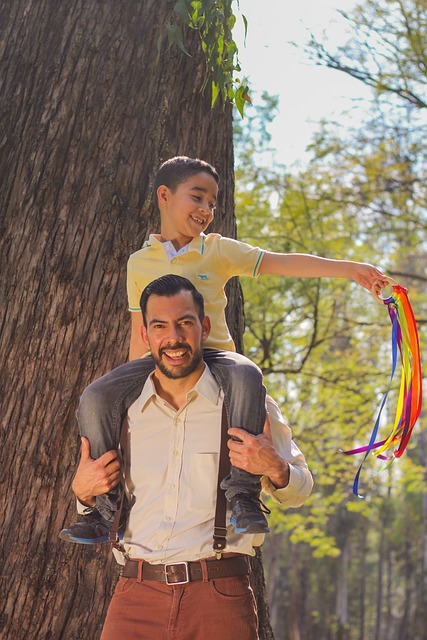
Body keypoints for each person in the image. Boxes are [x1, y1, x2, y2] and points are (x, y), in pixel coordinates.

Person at [60, 156, 388, 545]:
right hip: (158, 359)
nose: (206, 210)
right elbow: (140, 330)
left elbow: (282, 264)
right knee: (97, 395)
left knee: (246, 374)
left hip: (215, 357)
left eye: (213, 204)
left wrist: (350, 269)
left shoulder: (218, 251)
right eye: (197, 198)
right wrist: (135, 386)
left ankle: (244, 493)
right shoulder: (139, 262)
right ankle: (103, 508)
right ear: (164, 196)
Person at [69, 275, 314, 640]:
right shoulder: (122, 410)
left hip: (217, 595)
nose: (174, 337)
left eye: (185, 323)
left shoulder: (246, 404)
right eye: (160, 326)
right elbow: (95, 491)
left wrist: (275, 468)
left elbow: (301, 489)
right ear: (146, 335)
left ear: (204, 327)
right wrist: (82, 493)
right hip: (136, 593)